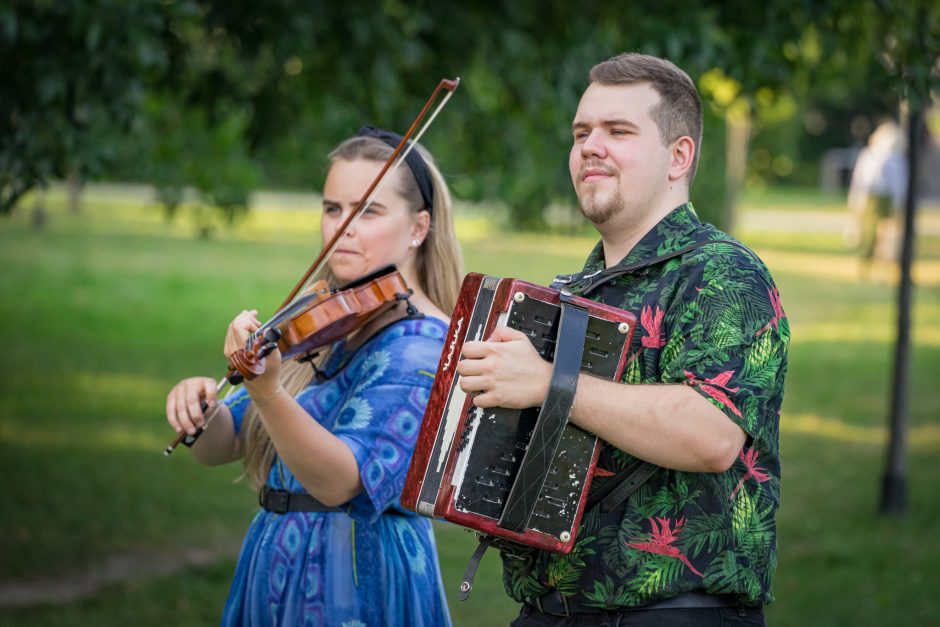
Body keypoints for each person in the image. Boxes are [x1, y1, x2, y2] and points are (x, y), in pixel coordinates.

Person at [457, 53, 789, 625]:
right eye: (582, 132)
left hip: (674, 613)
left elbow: (711, 433)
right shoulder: (577, 291)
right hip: (551, 611)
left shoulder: (724, 273)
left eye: (618, 131)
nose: (591, 145)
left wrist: (546, 383)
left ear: (678, 157)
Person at [165, 127, 462, 626]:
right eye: (332, 208)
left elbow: (341, 481)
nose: (342, 228)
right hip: (277, 571)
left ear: (419, 227)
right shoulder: (325, 322)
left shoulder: (424, 349)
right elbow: (227, 441)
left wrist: (269, 392)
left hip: (354, 583)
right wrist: (199, 409)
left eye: (367, 211)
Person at [846, 120, 908, 278]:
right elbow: (859, 179)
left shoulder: (896, 158)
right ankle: (865, 265)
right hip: (871, 197)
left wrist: (899, 203)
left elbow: (899, 183)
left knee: (888, 235)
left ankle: (884, 268)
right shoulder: (869, 155)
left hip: (887, 198)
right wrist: (855, 200)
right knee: (869, 233)